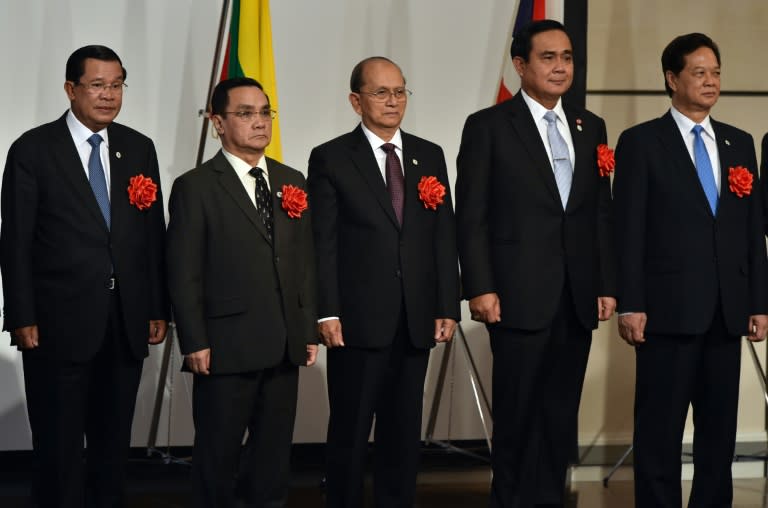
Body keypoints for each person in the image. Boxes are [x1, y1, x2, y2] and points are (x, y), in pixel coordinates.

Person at [455, 19, 616, 507]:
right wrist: (480, 287)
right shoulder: (488, 126)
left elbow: (599, 215)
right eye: (548, 58)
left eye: (566, 57)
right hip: (517, 297)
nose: (560, 66)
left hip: (576, 297)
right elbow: (473, 215)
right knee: (518, 415)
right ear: (520, 65)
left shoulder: (591, 126)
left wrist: (606, 283)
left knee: (559, 415)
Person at [0, 45, 169, 507]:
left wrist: (157, 306)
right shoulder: (33, 149)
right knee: (58, 449)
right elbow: (15, 240)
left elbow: (152, 233)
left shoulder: (138, 147)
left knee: (114, 447)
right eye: (97, 85)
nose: (108, 95)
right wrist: (21, 314)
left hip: (125, 320)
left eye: (117, 85)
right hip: (56, 323)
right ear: (71, 89)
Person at [613, 33, 768, 507]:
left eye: (716, 72)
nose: (711, 81)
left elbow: (751, 233)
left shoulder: (739, 143)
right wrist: (631, 303)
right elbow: (628, 231)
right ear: (672, 78)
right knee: (659, 435)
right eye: (699, 72)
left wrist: (759, 303)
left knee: (718, 439)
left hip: (726, 313)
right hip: (666, 314)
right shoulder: (641, 142)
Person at [307, 56, 460, 507]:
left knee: (403, 430)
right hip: (357, 321)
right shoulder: (332, 157)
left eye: (400, 92)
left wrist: (446, 304)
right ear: (356, 101)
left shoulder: (428, 154)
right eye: (381, 92)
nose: (393, 101)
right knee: (351, 431)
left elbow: (442, 235)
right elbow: (324, 242)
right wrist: (327, 309)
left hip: (415, 320)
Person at [166, 77, 317, 508]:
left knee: (272, 459)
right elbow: (184, 271)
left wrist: (305, 328)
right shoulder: (196, 186)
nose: (259, 122)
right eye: (246, 113)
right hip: (225, 348)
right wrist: (194, 340)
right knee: (218, 458)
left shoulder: (292, 180)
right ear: (217, 122)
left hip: (284, 344)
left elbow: (304, 263)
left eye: (265, 112)